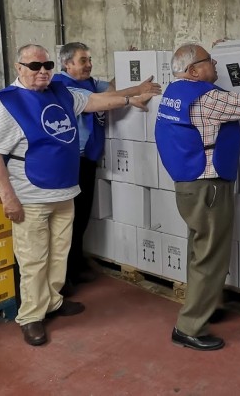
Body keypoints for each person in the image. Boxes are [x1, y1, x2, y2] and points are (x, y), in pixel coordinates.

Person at [0, 43, 159, 347]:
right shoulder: (8, 104)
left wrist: (131, 98)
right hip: (31, 194)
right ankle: (31, 316)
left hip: (65, 190)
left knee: (59, 252)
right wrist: (7, 197)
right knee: (33, 258)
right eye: (34, 66)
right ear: (19, 68)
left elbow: (96, 102)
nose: (42, 72)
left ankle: (53, 300)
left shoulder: (61, 93)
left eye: (46, 65)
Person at [154, 41, 240, 351]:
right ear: (193, 70)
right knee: (210, 257)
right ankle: (189, 327)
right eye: (209, 60)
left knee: (199, 251)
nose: (215, 64)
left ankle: (204, 306)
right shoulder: (206, 99)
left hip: (189, 185)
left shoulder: (174, 93)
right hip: (209, 187)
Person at [52, 42, 160, 294]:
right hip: (72, 160)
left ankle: (76, 265)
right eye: (82, 60)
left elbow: (111, 89)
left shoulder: (88, 82)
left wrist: (130, 63)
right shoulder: (62, 85)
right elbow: (101, 101)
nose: (88, 64)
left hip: (89, 157)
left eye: (89, 59)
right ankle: (62, 276)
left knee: (81, 216)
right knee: (68, 220)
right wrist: (133, 95)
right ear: (67, 64)